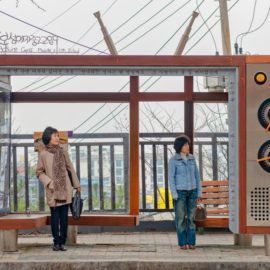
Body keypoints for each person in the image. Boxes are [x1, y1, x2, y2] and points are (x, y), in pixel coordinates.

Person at [36, 126, 81, 251]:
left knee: (64, 218)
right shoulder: (43, 154)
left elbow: (70, 168)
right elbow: (39, 172)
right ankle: (56, 242)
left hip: (65, 189)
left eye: (57, 135)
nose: (57, 138)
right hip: (53, 190)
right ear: (48, 138)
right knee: (55, 218)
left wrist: (76, 184)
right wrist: (49, 182)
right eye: (55, 135)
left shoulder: (63, 151)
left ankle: (62, 242)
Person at [168, 135, 202, 250]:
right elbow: (171, 178)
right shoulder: (173, 160)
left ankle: (191, 242)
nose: (188, 146)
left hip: (192, 191)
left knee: (192, 219)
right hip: (180, 193)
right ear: (179, 146)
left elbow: (197, 176)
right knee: (180, 219)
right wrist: (174, 194)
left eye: (188, 144)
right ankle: (183, 243)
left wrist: (199, 193)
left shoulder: (192, 158)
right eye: (185, 144)